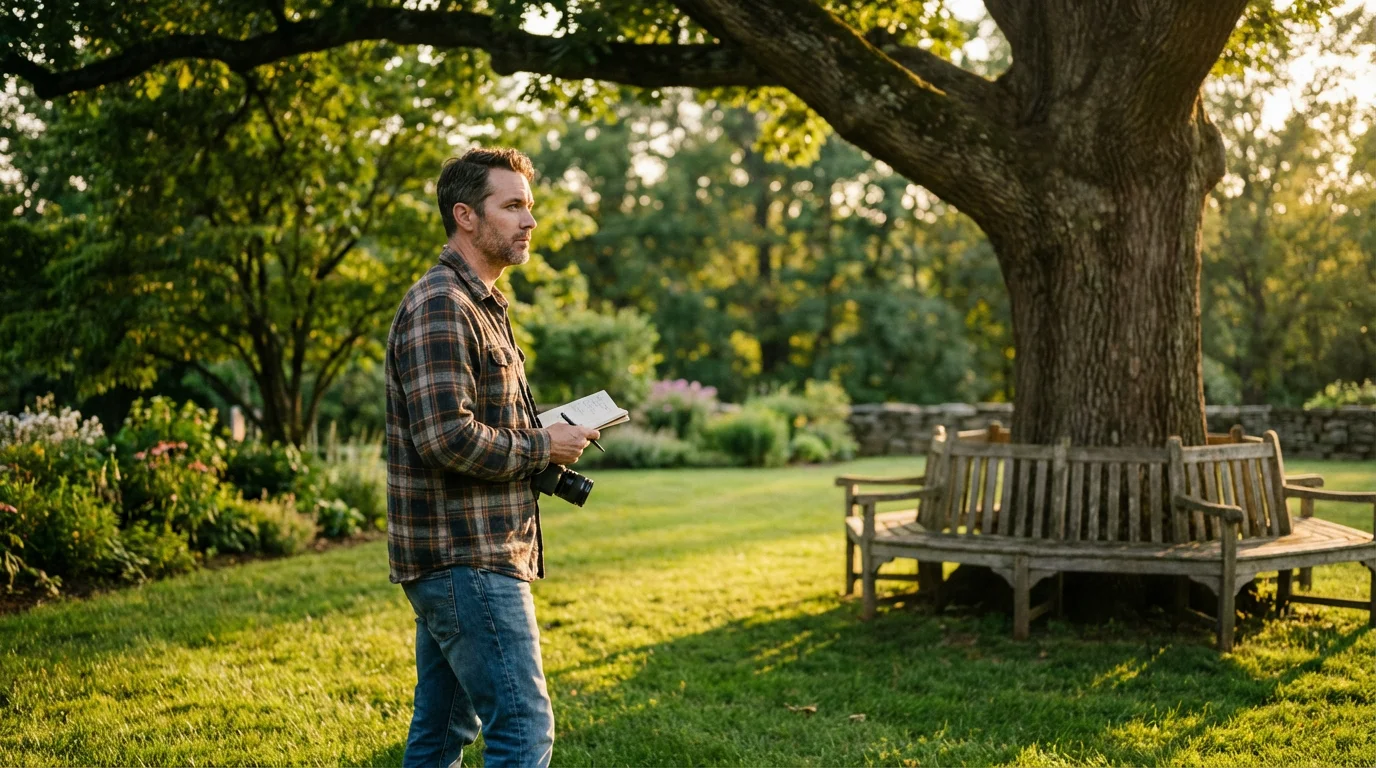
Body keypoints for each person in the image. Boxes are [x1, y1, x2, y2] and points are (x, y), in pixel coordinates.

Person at [384, 147, 600, 768]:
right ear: (466, 216)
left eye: (528, 206)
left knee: (442, 731)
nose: (530, 221)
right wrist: (542, 444)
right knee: (522, 733)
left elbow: (476, 422)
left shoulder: (481, 303)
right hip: (466, 558)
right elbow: (446, 437)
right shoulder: (442, 305)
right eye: (512, 206)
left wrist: (549, 433)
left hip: (465, 555)